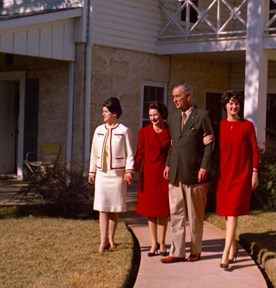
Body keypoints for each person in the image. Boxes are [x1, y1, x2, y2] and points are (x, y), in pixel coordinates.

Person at [161, 82, 215, 264]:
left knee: (194, 216)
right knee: (176, 214)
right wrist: (168, 164)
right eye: (173, 97)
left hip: (194, 174)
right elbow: (172, 144)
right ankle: (176, 252)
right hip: (175, 173)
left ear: (188, 96)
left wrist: (204, 167)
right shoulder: (173, 117)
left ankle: (195, 250)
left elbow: (210, 145)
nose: (175, 100)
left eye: (178, 96)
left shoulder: (202, 116)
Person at [215, 91, 259, 270]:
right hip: (223, 175)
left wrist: (254, 173)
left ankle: (225, 253)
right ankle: (233, 247)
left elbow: (255, 151)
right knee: (227, 213)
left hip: (241, 174)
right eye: (231, 104)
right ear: (225, 105)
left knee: (232, 212)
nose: (234, 107)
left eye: (237, 104)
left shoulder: (247, 126)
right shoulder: (219, 126)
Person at [88, 97, 135, 253]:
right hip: (102, 173)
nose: (103, 114)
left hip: (117, 174)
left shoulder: (124, 131)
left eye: (106, 111)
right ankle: (103, 241)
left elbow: (130, 153)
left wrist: (129, 171)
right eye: (103, 111)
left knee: (114, 209)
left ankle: (111, 239)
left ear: (114, 113)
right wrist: (92, 171)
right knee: (102, 208)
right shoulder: (98, 130)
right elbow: (94, 152)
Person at [134, 101, 171, 257]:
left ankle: (162, 243)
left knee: (162, 211)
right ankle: (153, 242)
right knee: (150, 211)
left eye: (155, 114)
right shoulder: (144, 131)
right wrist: (132, 170)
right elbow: (140, 153)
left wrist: (169, 165)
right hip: (148, 173)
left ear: (161, 113)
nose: (153, 118)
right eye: (150, 115)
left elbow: (173, 151)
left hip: (164, 173)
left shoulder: (170, 130)